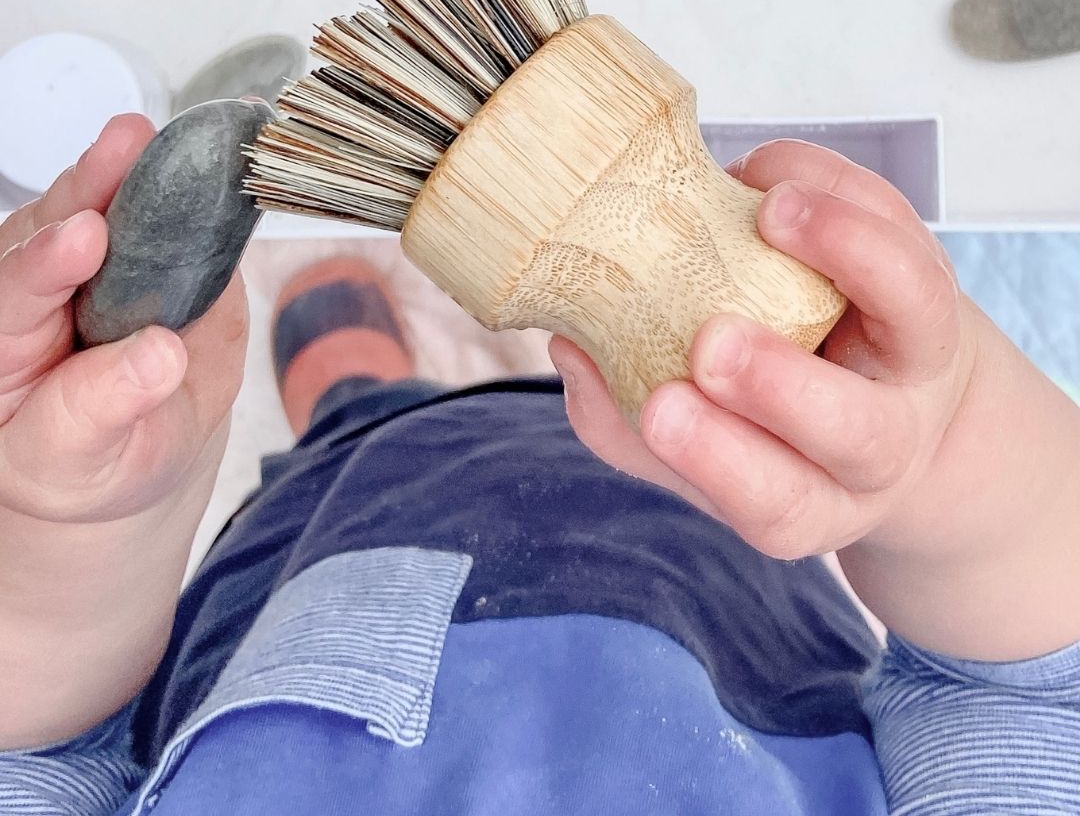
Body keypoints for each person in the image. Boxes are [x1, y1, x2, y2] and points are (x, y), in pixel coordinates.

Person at [0, 112, 1077, 815]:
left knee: (350, 409)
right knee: (610, 391)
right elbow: (1037, 692)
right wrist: (939, 445)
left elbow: (27, 764)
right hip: (721, 526)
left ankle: (349, 389)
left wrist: (70, 530)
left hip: (336, 536)